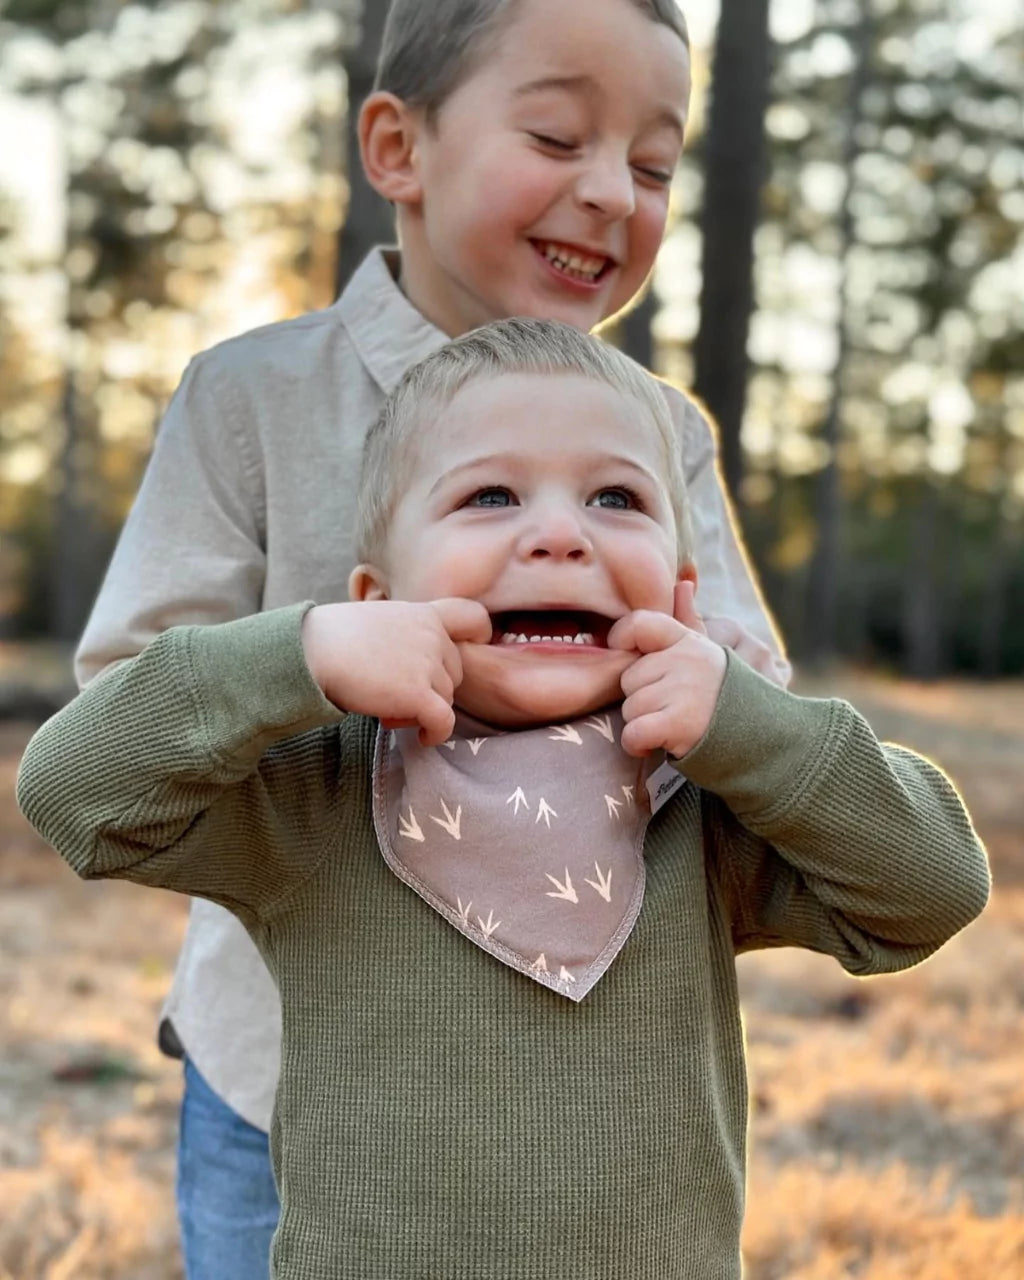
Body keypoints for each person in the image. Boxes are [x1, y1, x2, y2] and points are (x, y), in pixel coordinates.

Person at [19, 320, 990, 1280]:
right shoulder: (318, 791)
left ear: (684, 596)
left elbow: (928, 890)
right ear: (377, 597)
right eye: (490, 494)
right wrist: (300, 652)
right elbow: (77, 794)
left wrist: (750, 722)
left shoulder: (702, 795)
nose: (561, 534)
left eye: (615, 496)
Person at [73, 0, 789, 1273]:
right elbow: (119, 702)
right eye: (559, 135)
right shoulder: (253, 397)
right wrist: (316, 654)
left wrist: (717, 677)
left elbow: (747, 685)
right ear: (397, 147)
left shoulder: (661, 430)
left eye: (652, 164)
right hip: (283, 1065)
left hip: (588, 1092)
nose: (609, 193)